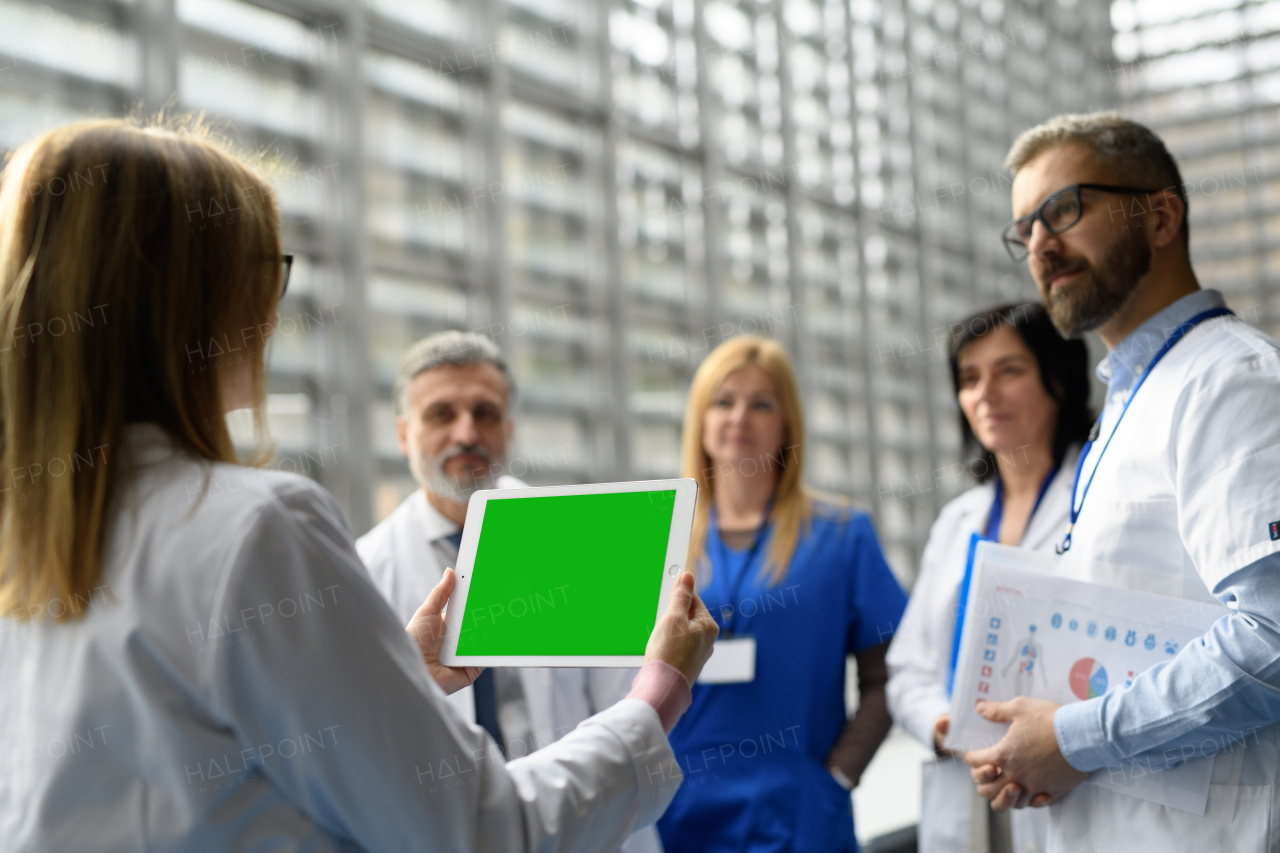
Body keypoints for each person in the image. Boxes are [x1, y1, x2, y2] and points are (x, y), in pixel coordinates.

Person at [0, 118, 719, 852]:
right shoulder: (257, 525)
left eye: (486, 412)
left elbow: (197, 767)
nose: (272, 310)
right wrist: (659, 690)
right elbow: (480, 831)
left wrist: (391, 676)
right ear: (192, 298)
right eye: (265, 270)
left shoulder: (32, 534)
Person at [960, 112, 1280, 852]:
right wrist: (1034, 743)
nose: (1039, 242)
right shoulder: (1132, 398)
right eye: (1024, 229)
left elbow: (1271, 635)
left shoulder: (1232, 380)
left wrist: (1072, 737)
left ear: (1160, 215)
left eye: (1063, 209)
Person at [357, 329, 662, 853]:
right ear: (405, 435)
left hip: (585, 824)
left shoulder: (578, 541)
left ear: (510, 430)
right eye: (440, 414)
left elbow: (628, 707)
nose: (466, 432)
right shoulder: (361, 570)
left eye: (485, 413)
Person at [656, 336, 908, 853]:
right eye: (723, 401)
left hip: (800, 817)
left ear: (787, 423)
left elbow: (894, 673)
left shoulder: (840, 534)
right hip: (675, 816)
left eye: (762, 403)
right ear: (701, 421)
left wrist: (839, 775)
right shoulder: (658, 541)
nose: (739, 417)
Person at [886, 303, 1091, 853]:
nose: (985, 394)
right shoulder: (958, 521)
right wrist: (951, 731)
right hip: (963, 784)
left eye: (1010, 371)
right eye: (970, 378)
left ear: (1059, 379)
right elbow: (907, 669)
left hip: (1069, 785)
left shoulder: (1096, 506)